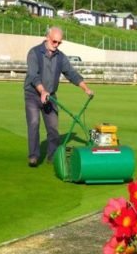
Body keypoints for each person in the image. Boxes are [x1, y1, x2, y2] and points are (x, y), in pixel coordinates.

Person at [23, 27, 93, 167]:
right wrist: (42, 91)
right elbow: (33, 75)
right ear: (47, 37)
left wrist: (85, 88)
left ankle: (52, 155)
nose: (56, 45)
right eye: (54, 41)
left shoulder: (60, 57)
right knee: (34, 123)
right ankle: (34, 156)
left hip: (51, 96)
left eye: (59, 43)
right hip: (33, 95)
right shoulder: (34, 53)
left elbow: (71, 73)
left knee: (53, 128)